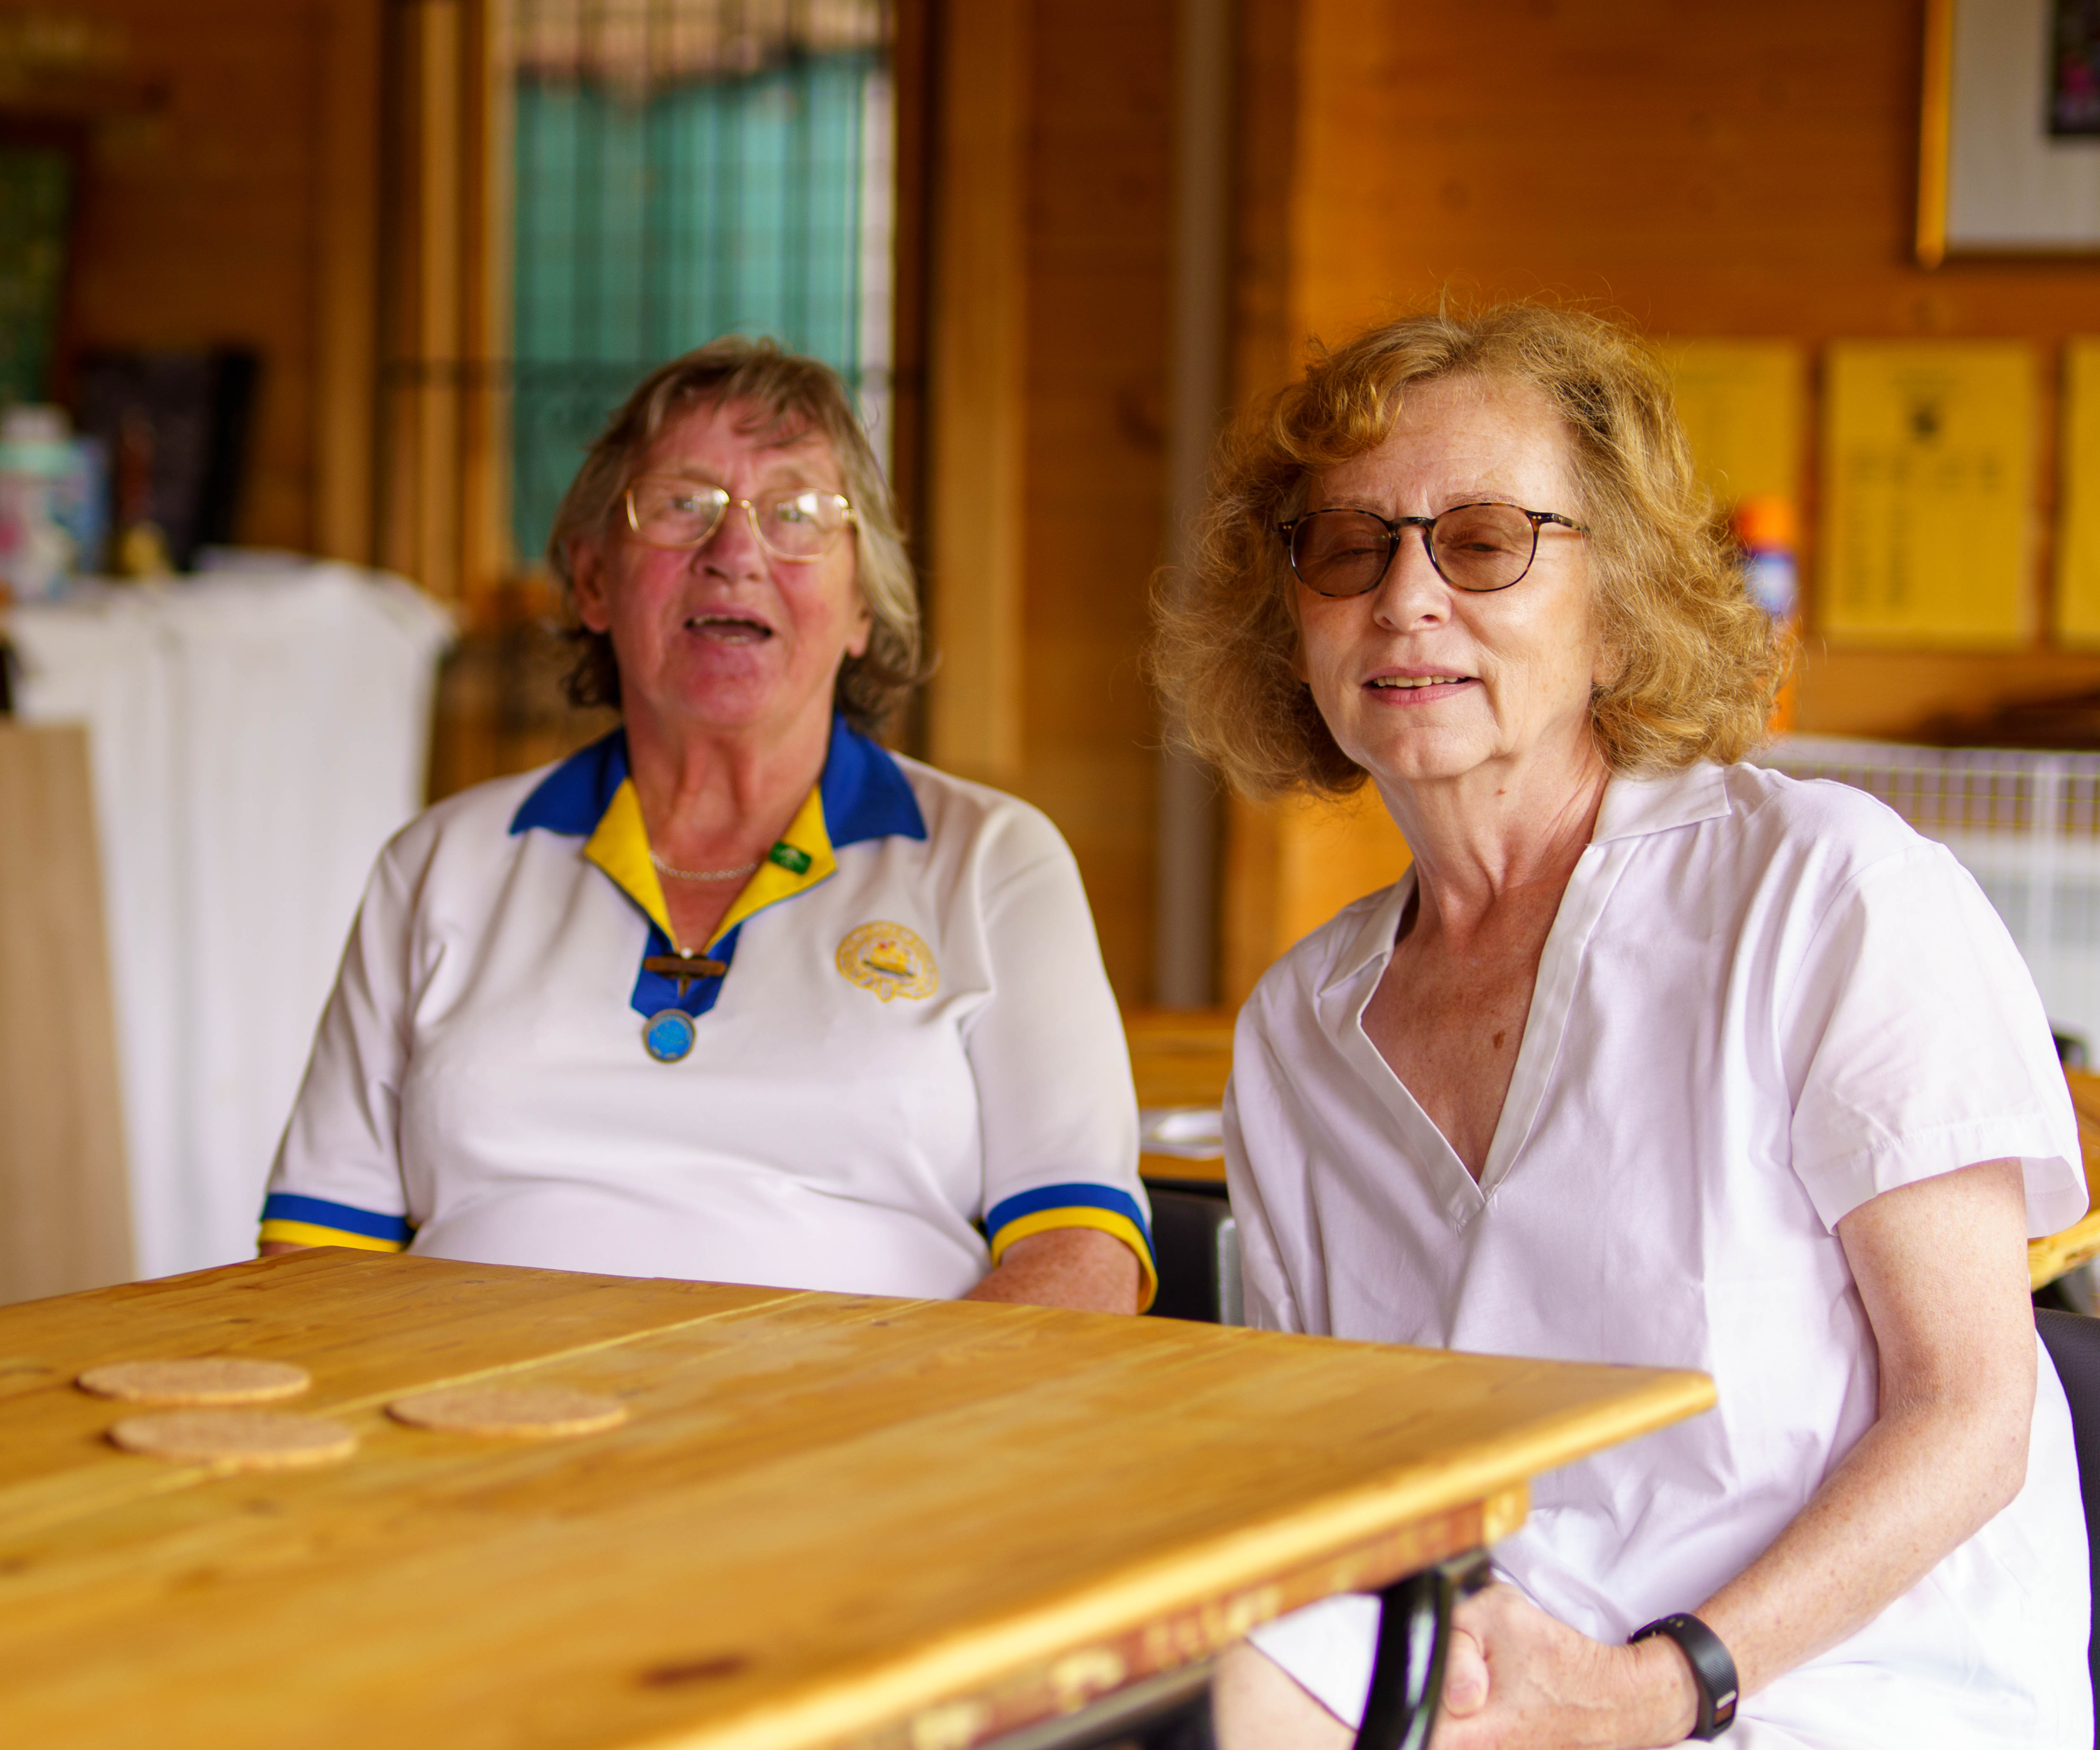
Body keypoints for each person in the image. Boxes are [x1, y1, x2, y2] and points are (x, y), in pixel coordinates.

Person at [1159, 306, 2090, 1747]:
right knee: (1188, 1683)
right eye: (1349, 546)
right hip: (1495, 1679)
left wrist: (1660, 1686)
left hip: (1837, 1695)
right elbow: (1339, 1489)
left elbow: (1971, 1412)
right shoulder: (1298, 1029)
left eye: (1484, 542)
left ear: (1620, 606)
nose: (1405, 599)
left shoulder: (1827, 891)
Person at [260, 338, 1148, 1310]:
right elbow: (316, 1258)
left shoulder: (992, 862)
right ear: (593, 580)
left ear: (862, 603)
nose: (735, 553)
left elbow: (1083, 1254)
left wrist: (898, 1407)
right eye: (682, 504)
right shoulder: (439, 864)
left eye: (797, 514)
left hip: (865, 1403)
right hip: (478, 1396)